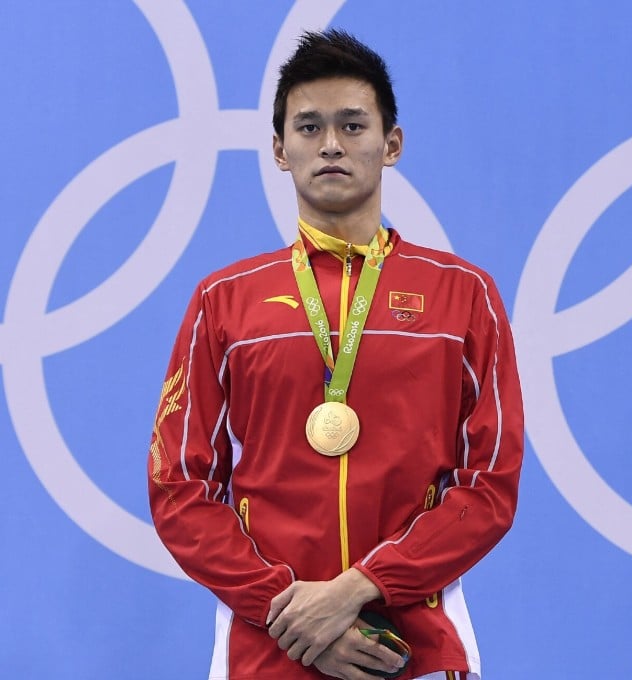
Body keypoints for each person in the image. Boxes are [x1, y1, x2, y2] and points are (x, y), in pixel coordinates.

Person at [148, 28, 524, 680]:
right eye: (309, 127)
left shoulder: (464, 295)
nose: (330, 144)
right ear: (279, 149)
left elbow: (489, 487)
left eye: (352, 125)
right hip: (266, 650)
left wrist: (357, 589)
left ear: (392, 144)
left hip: (414, 647)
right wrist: (289, 613)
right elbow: (179, 488)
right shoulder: (224, 300)